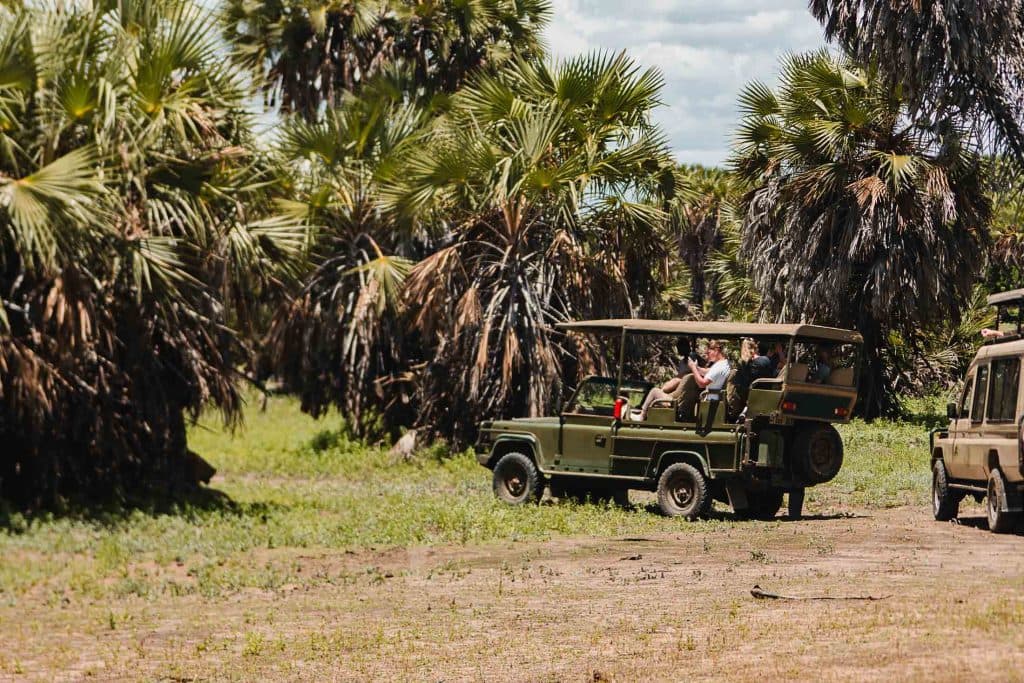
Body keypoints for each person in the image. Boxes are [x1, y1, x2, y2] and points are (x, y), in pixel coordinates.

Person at [638, 337, 703, 418]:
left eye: (680, 347)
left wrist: (662, 389)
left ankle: (642, 415)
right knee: (653, 390)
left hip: (675, 401)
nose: (678, 349)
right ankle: (642, 409)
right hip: (678, 396)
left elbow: (675, 381)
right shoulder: (685, 365)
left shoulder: (688, 372)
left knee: (654, 391)